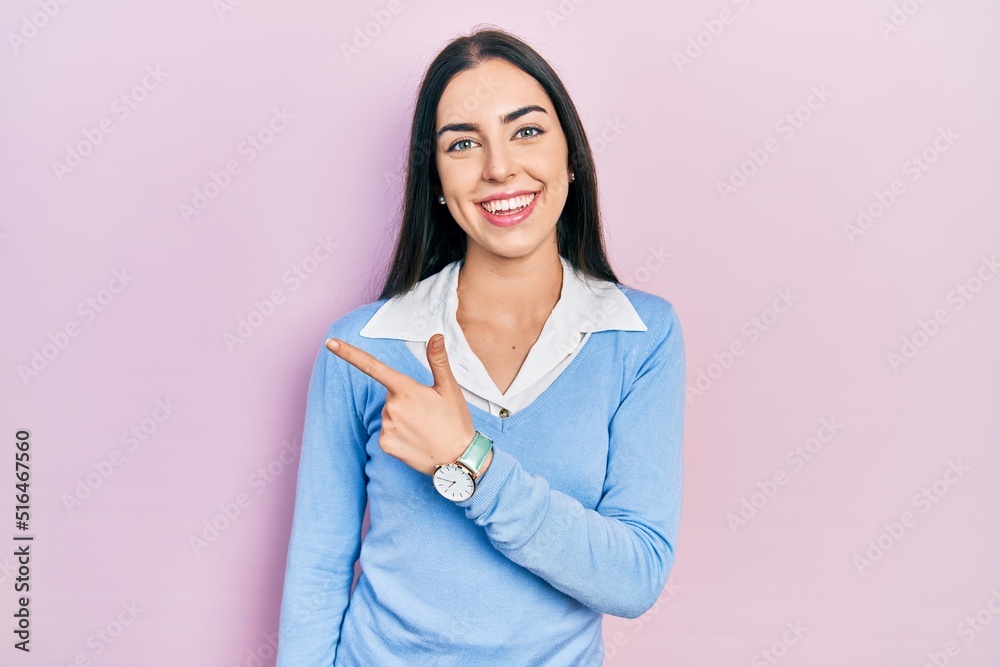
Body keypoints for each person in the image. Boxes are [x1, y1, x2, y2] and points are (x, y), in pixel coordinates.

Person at [276, 26, 686, 666]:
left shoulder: (640, 336)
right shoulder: (365, 346)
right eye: (463, 143)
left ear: (569, 157)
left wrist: (469, 461)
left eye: (526, 131)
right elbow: (319, 565)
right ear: (436, 178)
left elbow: (635, 578)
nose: (499, 167)